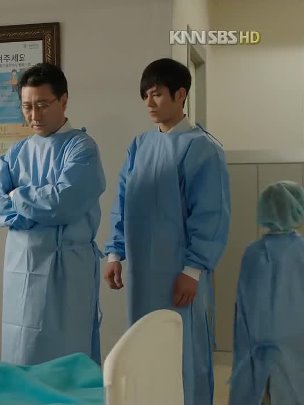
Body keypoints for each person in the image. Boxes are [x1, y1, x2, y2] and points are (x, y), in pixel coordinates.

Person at [103, 58, 230, 405]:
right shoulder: (139, 146)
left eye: (157, 94)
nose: (149, 102)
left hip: (180, 276)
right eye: (145, 95)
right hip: (142, 276)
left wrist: (193, 270)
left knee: (183, 353)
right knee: (143, 351)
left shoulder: (202, 148)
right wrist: (114, 253)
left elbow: (210, 215)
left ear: (180, 94)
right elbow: (123, 202)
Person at [0, 62, 106, 365]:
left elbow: (63, 203)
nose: (34, 115)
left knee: (66, 358)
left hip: (66, 272)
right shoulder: (16, 153)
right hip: (20, 268)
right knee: (21, 352)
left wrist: (17, 196)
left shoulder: (81, 148)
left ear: (63, 101)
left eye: (42, 105)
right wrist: (32, 209)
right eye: (27, 107)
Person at [229, 181, 304, 405]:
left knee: (259, 393)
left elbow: (244, 305)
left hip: (258, 345)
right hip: (297, 343)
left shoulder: (253, 253)